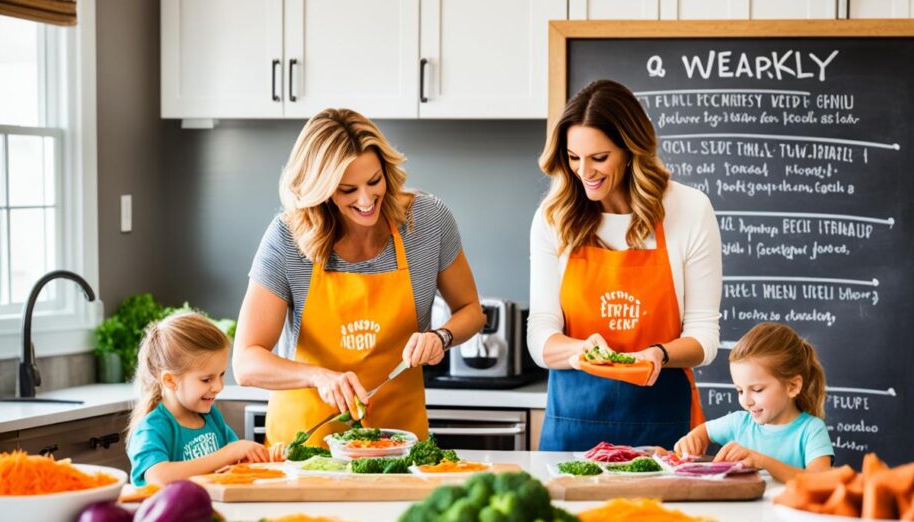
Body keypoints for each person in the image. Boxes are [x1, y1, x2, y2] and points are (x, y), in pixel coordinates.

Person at [234, 108, 485, 447]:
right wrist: (318, 377)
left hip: (400, 445)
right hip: (307, 447)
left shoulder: (427, 222)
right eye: (347, 189)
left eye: (374, 181)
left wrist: (441, 337)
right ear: (320, 189)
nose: (366, 200)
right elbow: (246, 361)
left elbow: (471, 310)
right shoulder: (288, 238)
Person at [529, 79, 722, 451]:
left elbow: (704, 337)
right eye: (573, 158)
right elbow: (540, 335)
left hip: (664, 427)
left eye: (599, 158)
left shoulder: (689, 210)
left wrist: (658, 354)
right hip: (573, 426)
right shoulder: (553, 217)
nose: (584, 172)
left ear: (631, 150)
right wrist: (581, 352)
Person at [673, 322, 834, 483]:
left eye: (757, 390)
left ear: (792, 386)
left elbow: (821, 480)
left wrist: (761, 461)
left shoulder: (811, 430)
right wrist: (692, 440)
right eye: (740, 391)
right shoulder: (738, 422)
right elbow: (703, 433)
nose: (746, 401)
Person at [126, 312, 271, 486]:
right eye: (206, 379)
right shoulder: (151, 429)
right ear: (170, 380)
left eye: (221, 375)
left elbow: (236, 461)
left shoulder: (212, 418)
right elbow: (158, 477)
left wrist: (252, 457)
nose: (218, 386)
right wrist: (228, 454)